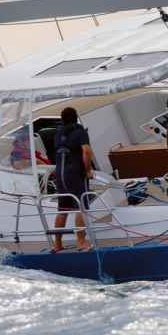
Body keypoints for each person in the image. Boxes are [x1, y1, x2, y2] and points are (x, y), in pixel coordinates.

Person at [52, 106, 94, 252]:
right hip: (75, 173)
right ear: (76, 117)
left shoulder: (58, 134)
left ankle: (57, 244)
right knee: (80, 207)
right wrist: (88, 170)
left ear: (62, 119)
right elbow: (86, 151)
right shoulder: (80, 132)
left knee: (62, 210)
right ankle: (81, 242)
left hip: (60, 173)